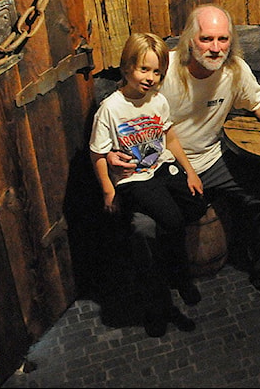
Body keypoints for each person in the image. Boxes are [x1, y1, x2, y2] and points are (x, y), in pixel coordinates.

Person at [108, 4, 260, 304]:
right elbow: (122, 107)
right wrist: (110, 155)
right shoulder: (165, 71)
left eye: (223, 39)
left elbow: (259, 99)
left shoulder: (234, 71)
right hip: (163, 164)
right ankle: (160, 292)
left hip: (212, 158)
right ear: (189, 40)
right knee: (146, 225)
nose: (215, 48)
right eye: (206, 39)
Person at [89, 32, 208, 336]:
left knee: (197, 203)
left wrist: (190, 171)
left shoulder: (157, 101)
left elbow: (169, 136)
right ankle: (172, 288)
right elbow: (98, 154)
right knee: (168, 220)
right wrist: (108, 190)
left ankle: (176, 273)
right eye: (144, 69)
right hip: (134, 178)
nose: (151, 78)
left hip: (159, 167)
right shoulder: (111, 109)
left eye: (157, 72)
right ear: (127, 68)